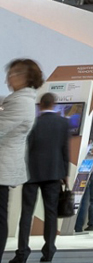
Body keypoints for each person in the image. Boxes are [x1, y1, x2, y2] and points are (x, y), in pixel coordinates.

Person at [15, 92, 71, 263]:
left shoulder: (33, 122)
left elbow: (25, 148)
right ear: (54, 104)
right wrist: (65, 174)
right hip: (54, 173)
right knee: (51, 213)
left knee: (27, 213)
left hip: (31, 173)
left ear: (40, 105)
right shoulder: (63, 123)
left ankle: (22, 253)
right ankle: (49, 252)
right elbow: (65, 150)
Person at [0, 59, 42, 259]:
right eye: (10, 73)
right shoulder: (18, 99)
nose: (10, 77)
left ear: (28, 77)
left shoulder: (20, 102)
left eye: (15, 73)